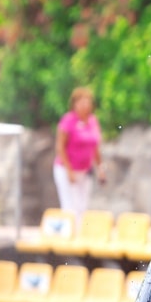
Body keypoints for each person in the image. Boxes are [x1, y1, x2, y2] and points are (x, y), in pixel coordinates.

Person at [54, 87, 105, 221]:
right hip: (67, 169)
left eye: (87, 103)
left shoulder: (93, 121)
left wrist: (100, 168)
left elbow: (95, 147)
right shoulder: (68, 121)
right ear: (75, 104)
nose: (85, 106)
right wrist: (69, 171)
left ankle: (79, 236)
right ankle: (69, 237)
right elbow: (60, 147)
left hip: (85, 171)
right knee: (70, 206)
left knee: (82, 207)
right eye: (82, 103)